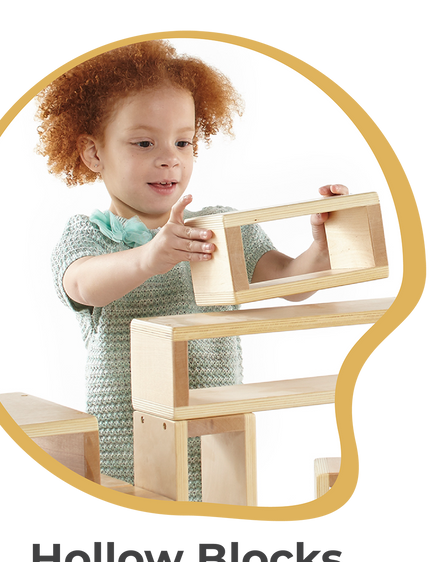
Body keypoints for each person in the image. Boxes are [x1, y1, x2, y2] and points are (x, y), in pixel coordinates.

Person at [38, 40, 348, 500]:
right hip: (131, 451)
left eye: (183, 142)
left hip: (217, 441)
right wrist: (149, 258)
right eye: (144, 143)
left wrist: (322, 247)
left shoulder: (217, 230)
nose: (170, 158)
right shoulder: (89, 237)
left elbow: (290, 282)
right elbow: (84, 285)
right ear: (93, 153)